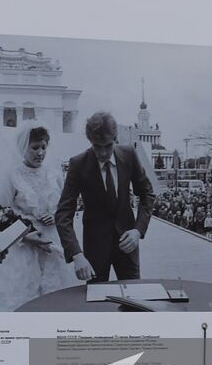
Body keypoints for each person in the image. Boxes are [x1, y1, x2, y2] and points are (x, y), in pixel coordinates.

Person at [0, 122, 77, 311]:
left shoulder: (53, 174)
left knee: (52, 297)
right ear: (23, 147)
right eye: (35, 148)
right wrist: (25, 234)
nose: (40, 153)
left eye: (43, 147)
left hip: (50, 244)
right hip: (22, 248)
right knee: (22, 300)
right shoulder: (12, 175)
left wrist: (55, 215)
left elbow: (65, 206)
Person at [54, 112, 155, 283]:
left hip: (128, 243)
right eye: (97, 146)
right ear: (90, 141)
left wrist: (138, 230)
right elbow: (63, 213)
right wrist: (76, 254)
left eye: (107, 146)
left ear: (115, 139)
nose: (102, 153)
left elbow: (147, 194)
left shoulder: (129, 155)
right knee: (96, 304)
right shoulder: (78, 164)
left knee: (134, 298)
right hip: (95, 247)